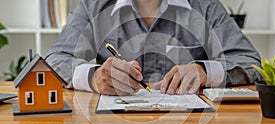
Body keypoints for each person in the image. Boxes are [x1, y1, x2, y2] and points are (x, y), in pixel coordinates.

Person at [46, 0, 262, 96]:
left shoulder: (205, 6)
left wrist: (204, 71)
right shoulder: (93, 5)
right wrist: (94, 77)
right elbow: (56, 59)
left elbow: (249, 61)